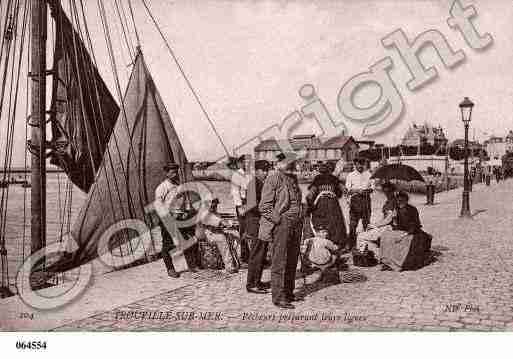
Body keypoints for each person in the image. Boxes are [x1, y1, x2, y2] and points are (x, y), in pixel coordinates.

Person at [259, 152, 303, 309]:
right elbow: (264, 207)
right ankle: (278, 297)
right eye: (286, 162)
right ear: (278, 163)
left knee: (292, 260)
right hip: (283, 224)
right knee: (279, 261)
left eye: (291, 162)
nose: (290, 164)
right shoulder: (273, 178)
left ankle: (289, 293)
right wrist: (279, 220)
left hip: (297, 223)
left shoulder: (293, 178)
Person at [155, 163, 198, 278]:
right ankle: (170, 269)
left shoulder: (180, 185)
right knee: (168, 244)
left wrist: (187, 211)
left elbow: (186, 199)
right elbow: (159, 206)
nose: (175, 174)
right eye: (172, 172)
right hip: (168, 218)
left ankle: (192, 265)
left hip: (181, 217)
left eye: (176, 172)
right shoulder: (162, 188)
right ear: (166, 173)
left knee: (187, 240)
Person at [378, 191, 432, 271]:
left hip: (412, 232)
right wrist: (393, 220)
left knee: (404, 241)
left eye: (401, 201)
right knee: (386, 237)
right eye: (398, 200)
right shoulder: (396, 209)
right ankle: (387, 262)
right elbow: (390, 221)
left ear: (406, 200)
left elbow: (415, 225)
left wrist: (404, 234)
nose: (399, 202)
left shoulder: (412, 210)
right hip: (401, 230)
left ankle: (399, 263)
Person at [305, 162, 347, 246]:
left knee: (320, 222)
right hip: (333, 203)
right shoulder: (334, 178)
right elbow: (344, 190)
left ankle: (320, 241)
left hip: (321, 203)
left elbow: (309, 196)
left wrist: (310, 208)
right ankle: (336, 243)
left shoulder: (317, 179)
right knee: (336, 222)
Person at [246, 160, 272, 294]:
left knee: (261, 253)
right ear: (256, 171)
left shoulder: (261, 183)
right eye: (264, 170)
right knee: (256, 253)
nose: (266, 173)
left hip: (261, 222)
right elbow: (252, 206)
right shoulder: (252, 184)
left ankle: (257, 281)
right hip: (255, 222)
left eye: (267, 170)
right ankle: (251, 284)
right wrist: (267, 210)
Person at [195, 198, 239, 274]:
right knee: (222, 239)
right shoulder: (205, 214)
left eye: (215, 204)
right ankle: (229, 266)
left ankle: (236, 260)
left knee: (232, 235)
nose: (215, 206)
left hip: (212, 232)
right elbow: (221, 222)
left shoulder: (213, 212)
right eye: (213, 204)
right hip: (206, 235)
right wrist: (231, 224)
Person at [345, 158, 374, 251]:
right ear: (355, 164)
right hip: (355, 201)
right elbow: (347, 190)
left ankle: (366, 245)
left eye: (362, 164)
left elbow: (372, 188)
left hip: (366, 200)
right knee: (353, 224)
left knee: (366, 223)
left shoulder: (369, 174)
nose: (360, 166)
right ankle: (351, 245)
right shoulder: (350, 175)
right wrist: (357, 190)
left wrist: (365, 191)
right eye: (358, 164)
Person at [228, 155, 250, 264]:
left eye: (249, 162)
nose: (248, 164)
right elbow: (235, 192)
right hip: (242, 203)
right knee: (244, 229)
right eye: (246, 162)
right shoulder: (236, 175)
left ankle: (253, 254)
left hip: (251, 203)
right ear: (240, 163)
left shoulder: (250, 174)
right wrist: (240, 206)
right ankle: (245, 255)